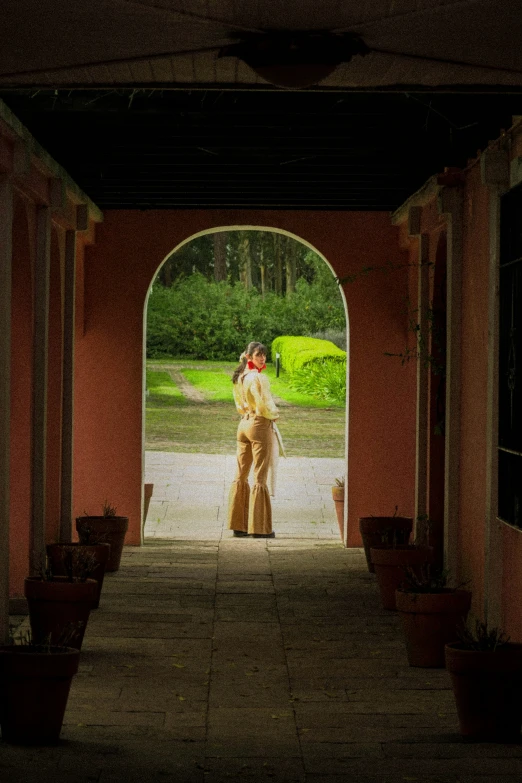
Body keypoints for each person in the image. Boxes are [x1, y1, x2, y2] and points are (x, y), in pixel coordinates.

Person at [228, 341, 280, 538]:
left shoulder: (239, 376)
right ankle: (259, 528)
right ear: (249, 356)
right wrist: (274, 414)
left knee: (241, 474)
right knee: (259, 476)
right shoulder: (258, 378)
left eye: (264, 355)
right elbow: (266, 405)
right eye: (258, 355)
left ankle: (238, 525)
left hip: (243, 424)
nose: (262, 358)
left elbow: (239, 403)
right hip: (258, 425)